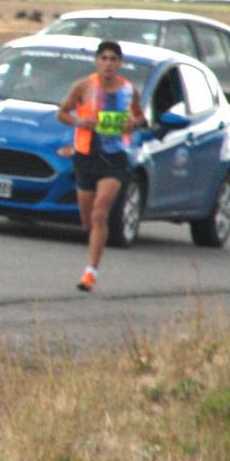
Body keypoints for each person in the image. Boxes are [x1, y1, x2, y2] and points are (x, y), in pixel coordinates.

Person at [57, 39, 145, 293]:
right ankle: (93, 235)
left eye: (113, 59)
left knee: (99, 212)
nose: (108, 63)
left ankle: (90, 273)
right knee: (87, 219)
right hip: (87, 155)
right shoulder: (84, 86)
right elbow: (61, 113)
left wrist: (133, 123)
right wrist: (79, 122)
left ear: (120, 63)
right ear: (97, 61)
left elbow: (140, 115)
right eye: (104, 58)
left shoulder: (129, 91)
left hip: (115, 157)